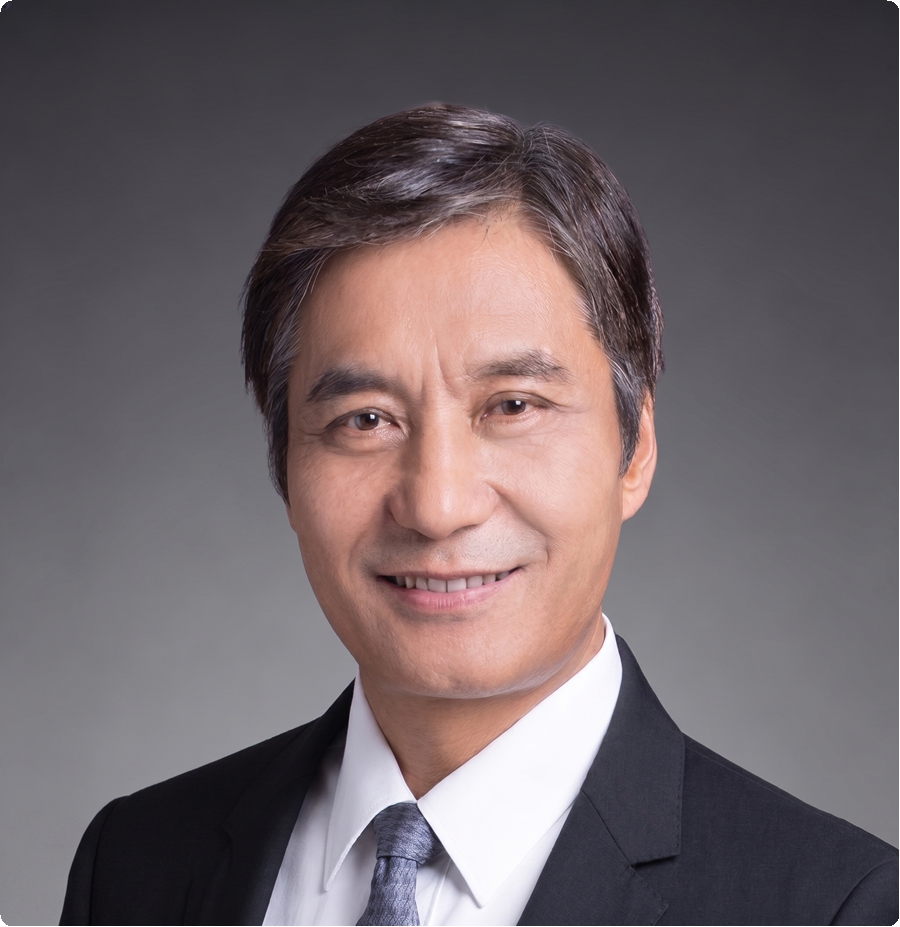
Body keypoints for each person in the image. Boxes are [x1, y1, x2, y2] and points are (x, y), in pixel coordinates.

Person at [60, 104, 897, 926]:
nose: (437, 505)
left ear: (634, 448)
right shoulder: (134, 866)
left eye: (513, 405)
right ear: (285, 464)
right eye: (365, 420)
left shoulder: (837, 907)